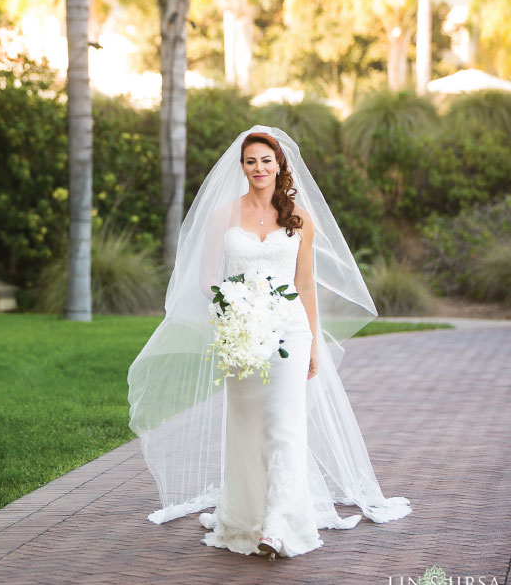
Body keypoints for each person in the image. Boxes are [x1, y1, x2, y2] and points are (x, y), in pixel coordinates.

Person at [127, 126, 411, 560]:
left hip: (290, 331)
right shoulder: (224, 215)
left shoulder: (299, 218)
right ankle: (245, 514)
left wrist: (314, 343)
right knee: (246, 427)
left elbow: (305, 286)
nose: (258, 168)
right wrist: (235, 303)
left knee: (284, 422)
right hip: (240, 333)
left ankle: (278, 524)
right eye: (250, 161)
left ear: (280, 165)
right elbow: (206, 279)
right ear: (241, 167)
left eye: (265, 160)